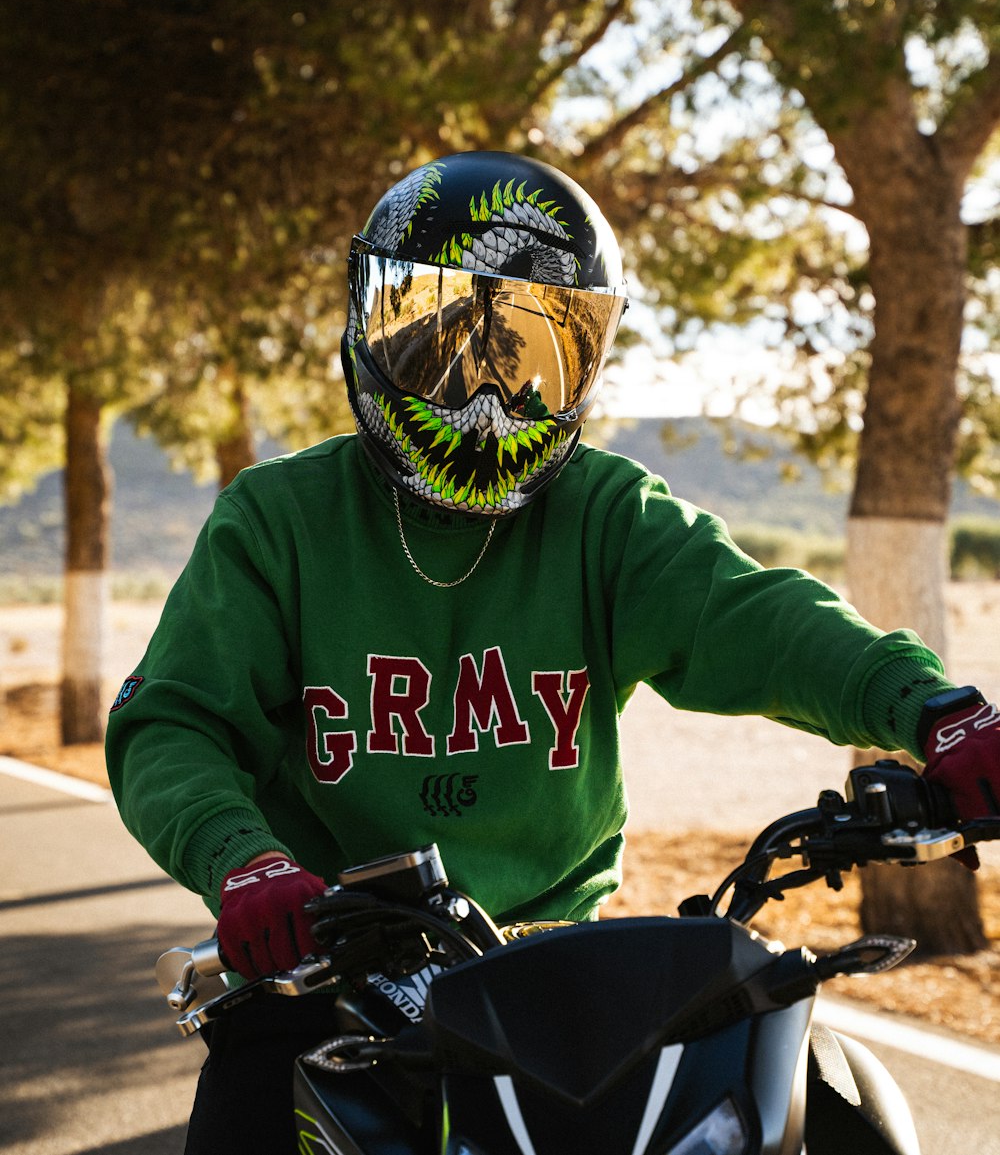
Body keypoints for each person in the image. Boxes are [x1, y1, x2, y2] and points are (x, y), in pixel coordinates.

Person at [105, 149, 1000, 1153]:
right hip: (331, 968)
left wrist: (930, 706)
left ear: (591, 355)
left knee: (836, 1110)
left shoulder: (605, 516)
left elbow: (755, 616)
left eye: (533, 346)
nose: (482, 390)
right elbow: (170, 721)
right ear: (369, 323)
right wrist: (247, 865)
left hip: (565, 964)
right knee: (249, 1126)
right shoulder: (279, 520)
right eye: (438, 336)